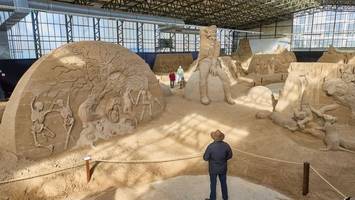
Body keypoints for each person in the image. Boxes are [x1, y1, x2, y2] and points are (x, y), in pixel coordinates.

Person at [203, 130, 233, 200]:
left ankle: (212, 198)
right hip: (223, 168)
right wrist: (224, 159)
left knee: (213, 184)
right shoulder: (226, 145)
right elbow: (230, 156)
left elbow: (205, 158)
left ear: (214, 137)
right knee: (223, 183)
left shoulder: (210, 146)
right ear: (221, 137)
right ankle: (225, 198)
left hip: (213, 169)